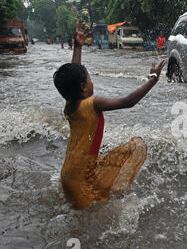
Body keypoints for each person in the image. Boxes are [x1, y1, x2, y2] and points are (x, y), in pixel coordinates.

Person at [53, 22, 166, 210]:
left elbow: (74, 73)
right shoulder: (93, 104)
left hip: (68, 173)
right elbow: (128, 101)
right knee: (90, 223)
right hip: (81, 177)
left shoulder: (70, 104)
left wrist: (78, 47)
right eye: (90, 79)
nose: (91, 82)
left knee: (82, 214)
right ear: (83, 87)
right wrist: (153, 80)